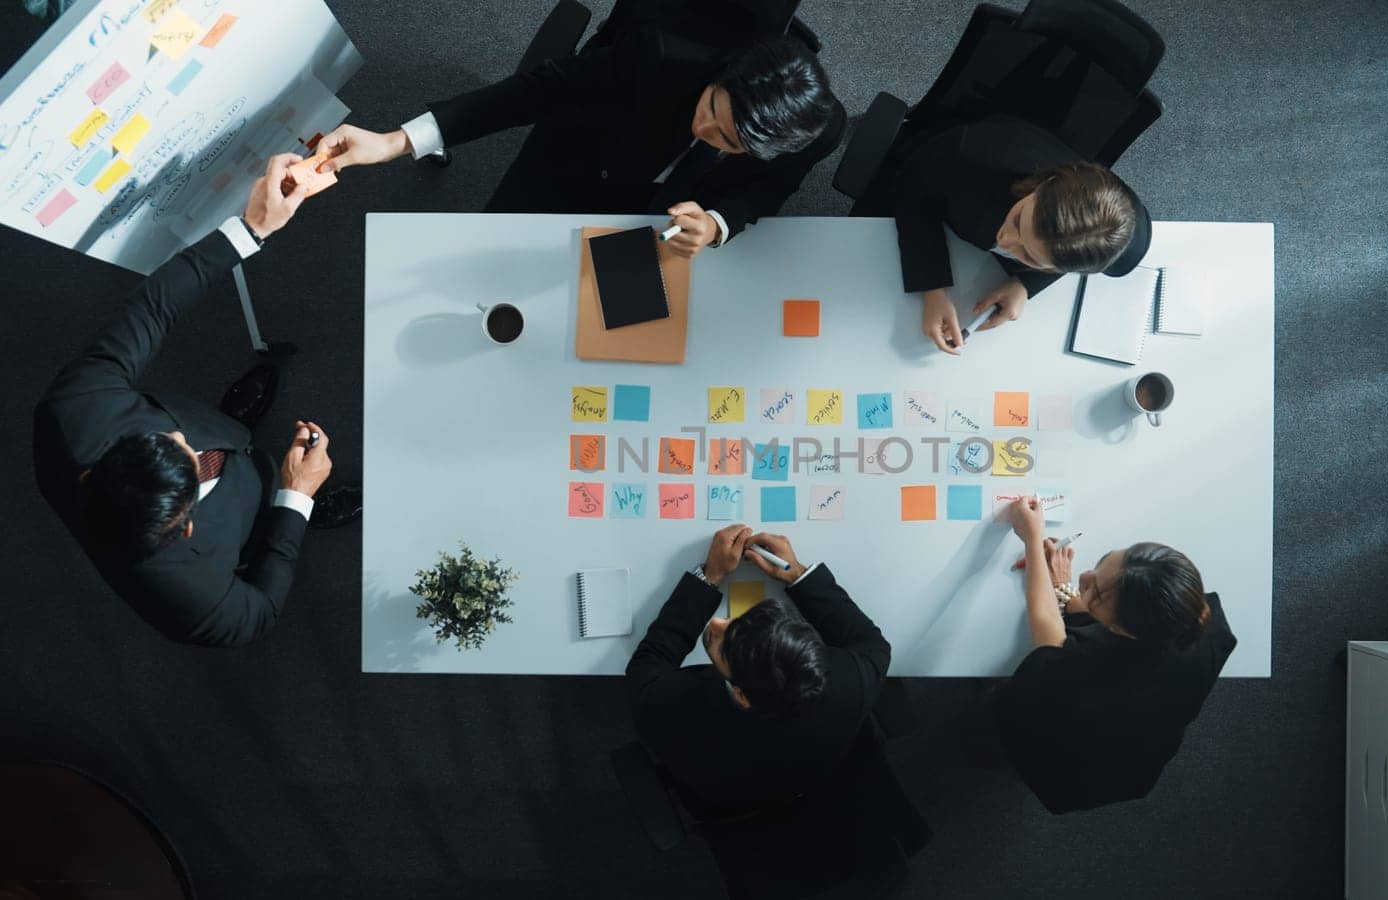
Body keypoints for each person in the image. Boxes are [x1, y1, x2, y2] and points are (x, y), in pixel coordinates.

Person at [32, 155, 362, 648]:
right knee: (282, 510)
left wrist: (251, 229)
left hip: (202, 444)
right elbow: (262, 610)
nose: (183, 437)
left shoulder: (75, 408)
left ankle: (236, 428)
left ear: (99, 464)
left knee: (227, 433)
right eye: (188, 455)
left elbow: (152, 307)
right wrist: (296, 498)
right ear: (185, 529)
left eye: (166, 440)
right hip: (253, 525)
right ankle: (299, 506)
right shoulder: (196, 603)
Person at [314, 6, 845, 260]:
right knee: (488, 259)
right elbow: (531, 93)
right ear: (721, 77)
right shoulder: (657, 58)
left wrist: (719, 224)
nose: (702, 127)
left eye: (726, 140)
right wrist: (392, 142)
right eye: (711, 107)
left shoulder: (819, 132)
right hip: (590, 148)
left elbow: (766, 191)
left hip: (667, 211)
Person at [989, 497, 1236, 813]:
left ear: (1121, 629)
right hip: (1138, 759)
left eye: (1096, 592)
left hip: (1075, 769)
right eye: (1103, 562)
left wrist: (1032, 540)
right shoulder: (1206, 621)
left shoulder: (1074, 670)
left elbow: (1046, 624)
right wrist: (1072, 593)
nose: (1085, 577)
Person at [626, 524, 891, 814]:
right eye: (735, 621)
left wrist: (708, 577)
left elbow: (647, 664)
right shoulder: (854, 679)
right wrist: (796, 573)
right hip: (816, 777)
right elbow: (872, 642)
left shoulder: (680, 710)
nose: (717, 623)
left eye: (726, 646)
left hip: (726, 795)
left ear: (742, 695)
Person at [863, 113, 1150, 355]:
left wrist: (1025, 284)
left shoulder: (1124, 250)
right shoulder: (973, 153)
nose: (1004, 241)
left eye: (1028, 255)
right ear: (1043, 186)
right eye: (1018, 219)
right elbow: (913, 189)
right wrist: (932, 288)